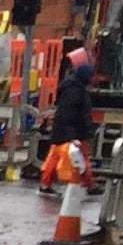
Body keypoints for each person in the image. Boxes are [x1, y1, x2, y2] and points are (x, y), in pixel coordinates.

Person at [41, 60, 95, 192]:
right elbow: (74, 113)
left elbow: (64, 111)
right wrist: (73, 135)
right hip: (76, 131)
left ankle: (45, 183)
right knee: (82, 158)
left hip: (61, 130)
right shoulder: (78, 92)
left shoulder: (68, 88)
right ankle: (90, 185)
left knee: (54, 157)